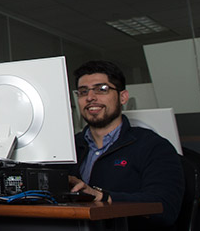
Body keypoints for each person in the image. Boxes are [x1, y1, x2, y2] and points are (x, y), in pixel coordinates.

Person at [68, 60, 183, 228]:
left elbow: (164, 206)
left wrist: (102, 196)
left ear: (123, 97)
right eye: (83, 92)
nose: (90, 97)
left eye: (102, 89)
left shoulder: (153, 146)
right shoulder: (69, 147)